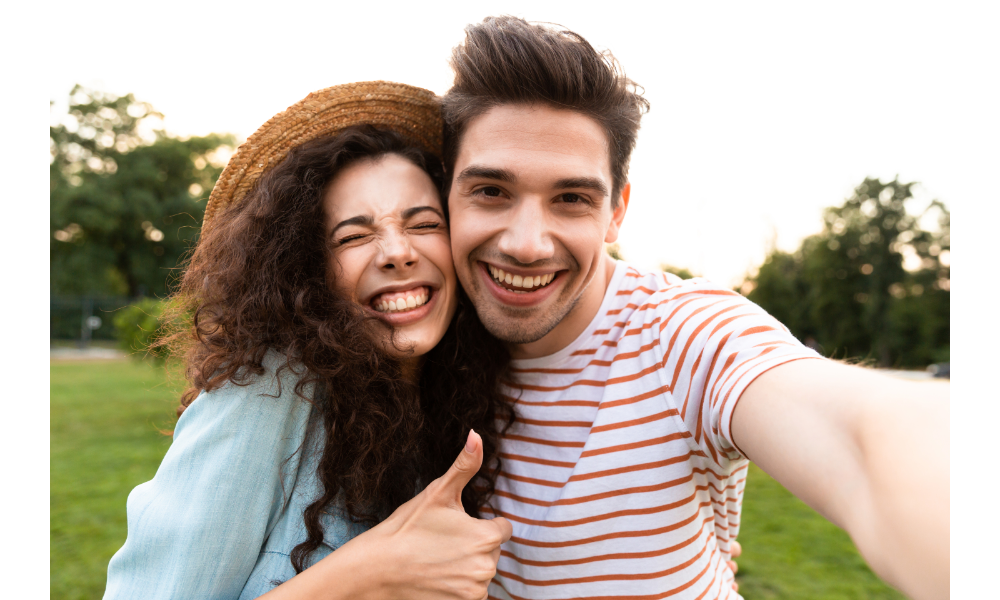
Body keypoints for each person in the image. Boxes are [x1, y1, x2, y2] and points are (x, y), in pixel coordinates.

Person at [438, 16, 948, 600]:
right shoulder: (425, 339)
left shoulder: (683, 333)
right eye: (491, 191)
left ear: (617, 211)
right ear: (445, 191)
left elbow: (863, 439)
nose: (526, 243)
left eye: (571, 199)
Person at [103, 82, 522, 600]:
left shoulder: (448, 396)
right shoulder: (273, 386)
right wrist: (372, 569)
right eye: (352, 236)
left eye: (424, 223)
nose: (396, 252)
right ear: (307, 270)